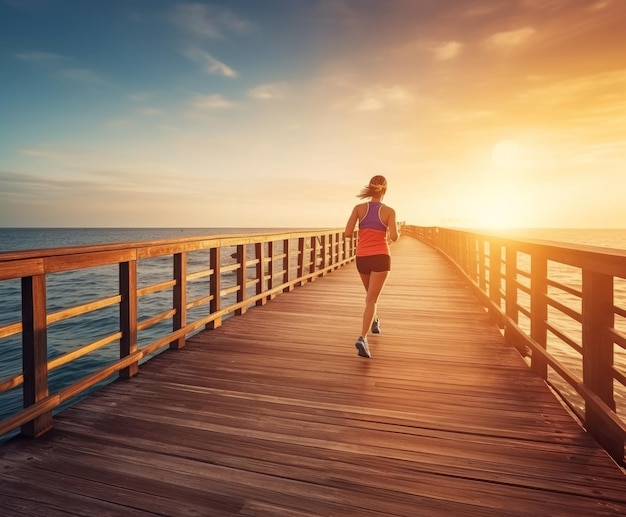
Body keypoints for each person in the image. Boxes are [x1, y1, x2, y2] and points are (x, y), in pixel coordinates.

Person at [344, 175, 399, 358]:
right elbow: (393, 237)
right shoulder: (389, 211)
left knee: (370, 297)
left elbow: (347, 233)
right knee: (371, 299)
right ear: (385, 190)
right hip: (381, 257)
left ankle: (374, 321)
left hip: (363, 258)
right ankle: (363, 338)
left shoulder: (359, 208)